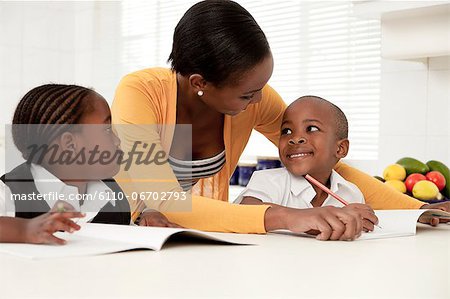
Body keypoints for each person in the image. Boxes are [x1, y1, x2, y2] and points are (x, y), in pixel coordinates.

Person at [111, 0, 448, 239]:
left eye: (260, 87)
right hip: (124, 231)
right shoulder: (141, 92)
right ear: (200, 83)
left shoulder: (255, 99)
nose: (260, 101)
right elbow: (163, 198)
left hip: (196, 238)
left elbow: (322, 158)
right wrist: (291, 216)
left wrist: (416, 208)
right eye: (247, 94)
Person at [0, 84, 131, 244]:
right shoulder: (10, 191)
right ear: (69, 144)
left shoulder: (111, 194)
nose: (117, 141)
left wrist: (146, 218)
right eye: (107, 130)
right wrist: (24, 230)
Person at [235, 96, 379, 232]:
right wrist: (307, 217)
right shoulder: (268, 180)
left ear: (340, 149)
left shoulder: (351, 193)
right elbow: (244, 212)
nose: (295, 138)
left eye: (311, 129)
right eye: (287, 131)